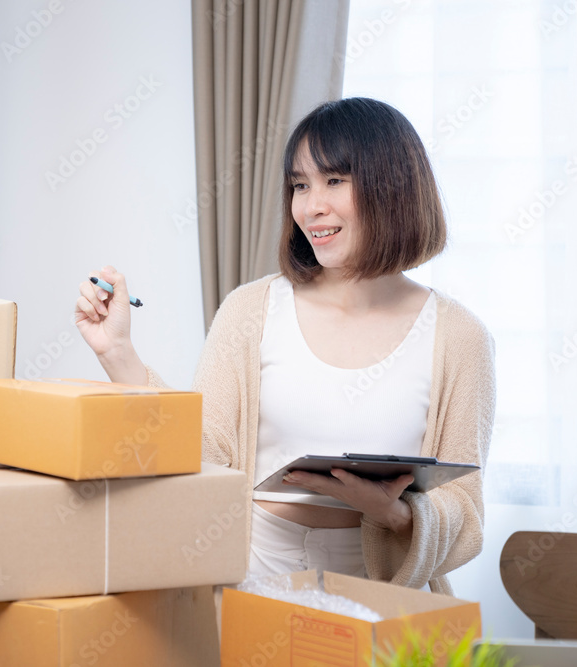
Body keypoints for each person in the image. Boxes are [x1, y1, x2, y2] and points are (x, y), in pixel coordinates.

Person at [74, 97, 495, 594]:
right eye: (300, 185)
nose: (310, 206)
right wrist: (117, 352)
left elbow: (465, 514)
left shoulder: (458, 336)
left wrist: (398, 515)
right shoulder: (251, 309)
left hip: (381, 587)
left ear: (394, 185)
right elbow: (205, 449)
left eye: (334, 181)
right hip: (252, 569)